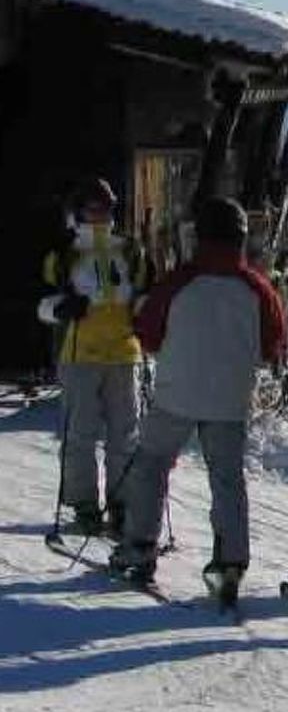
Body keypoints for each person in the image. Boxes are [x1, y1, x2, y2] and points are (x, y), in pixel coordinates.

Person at [112, 197, 286, 606]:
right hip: (230, 400)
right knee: (227, 479)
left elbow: (149, 335)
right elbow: (273, 345)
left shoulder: (180, 281)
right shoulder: (258, 288)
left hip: (177, 393)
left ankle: (139, 548)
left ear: (200, 236)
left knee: (151, 465)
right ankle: (229, 563)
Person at [37, 178, 144, 537]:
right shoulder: (64, 253)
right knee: (80, 433)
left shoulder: (130, 250)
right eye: (91, 207)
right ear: (78, 210)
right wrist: (62, 308)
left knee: (125, 435)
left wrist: (145, 314)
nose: (98, 214)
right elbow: (43, 304)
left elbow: (146, 294)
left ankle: (122, 505)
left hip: (124, 352)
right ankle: (83, 506)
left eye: (105, 207)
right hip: (80, 352)